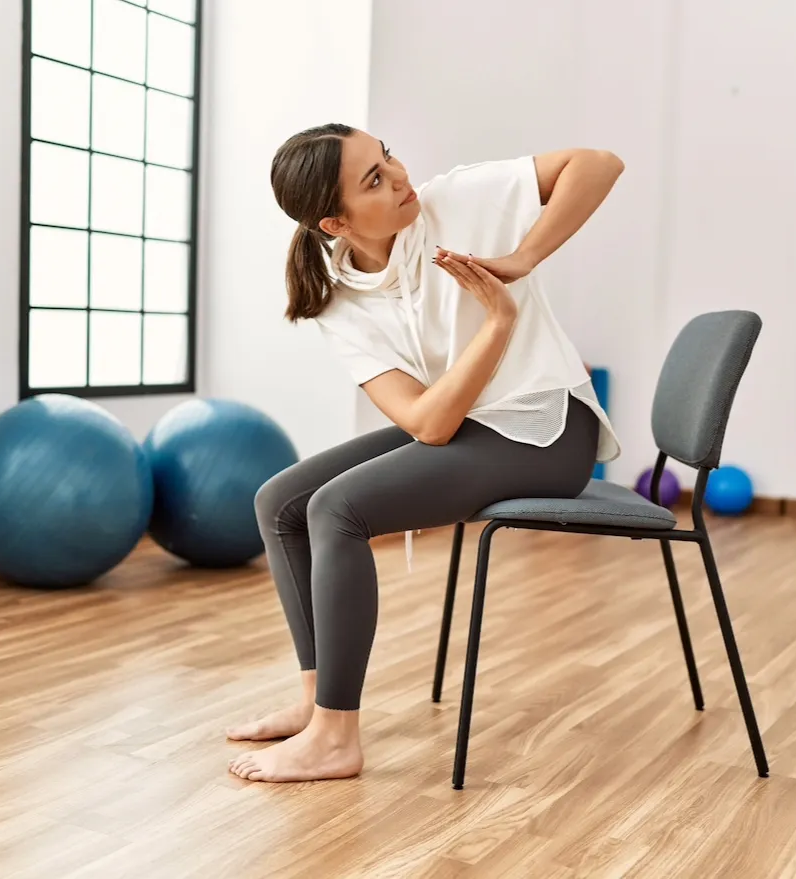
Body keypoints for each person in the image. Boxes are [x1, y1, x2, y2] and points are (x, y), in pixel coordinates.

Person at [227, 123, 623, 783]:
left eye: (387, 157)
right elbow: (425, 421)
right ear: (334, 221)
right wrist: (497, 326)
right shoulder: (335, 295)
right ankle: (313, 698)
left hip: (548, 427)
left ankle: (334, 736)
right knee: (282, 503)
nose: (401, 176)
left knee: (337, 509)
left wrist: (523, 260)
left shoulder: (458, 200)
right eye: (374, 180)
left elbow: (600, 163)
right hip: (468, 425)